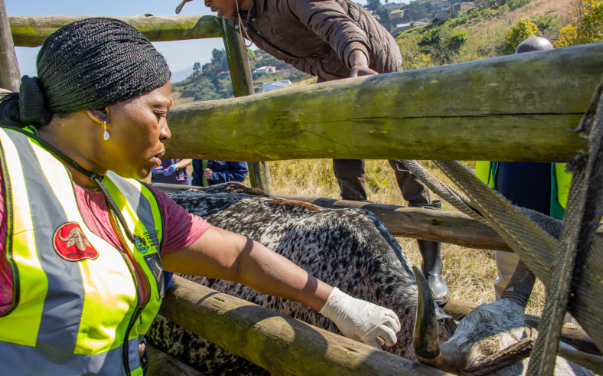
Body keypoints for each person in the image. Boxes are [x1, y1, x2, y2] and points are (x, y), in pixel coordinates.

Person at [0, 18, 401, 376]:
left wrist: (337, 303)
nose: (167, 131)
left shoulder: (132, 199)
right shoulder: (8, 178)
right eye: (158, 113)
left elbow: (238, 256)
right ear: (102, 111)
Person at [177, 0, 450, 304]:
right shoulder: (239, 19)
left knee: (403, 162)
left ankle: (432, 268)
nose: (206, 3)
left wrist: (359, 63)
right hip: (332, 71)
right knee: (346, 165)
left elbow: (339, 26)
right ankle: (365, 259)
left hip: (370, 63)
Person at [476, 37, 571, 300]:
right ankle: (505, 334)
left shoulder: (570, 103)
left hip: (558, 217)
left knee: (564, 289)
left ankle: (566, 339)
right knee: (508, 283)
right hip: (510, 213)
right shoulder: (501, 106)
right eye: (519, 62)